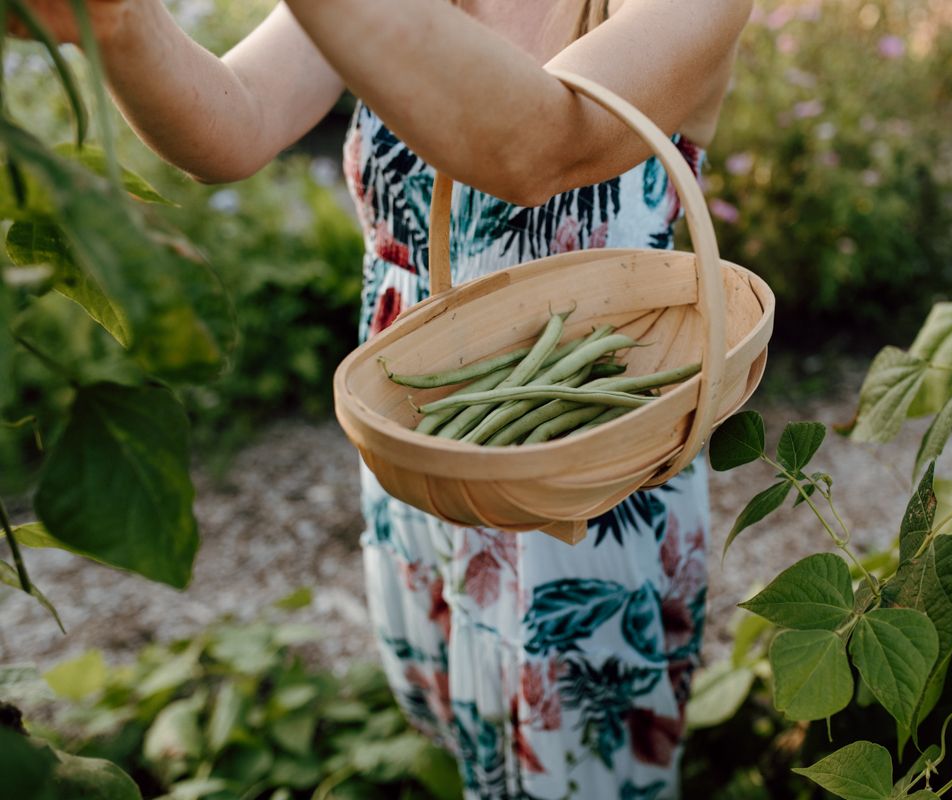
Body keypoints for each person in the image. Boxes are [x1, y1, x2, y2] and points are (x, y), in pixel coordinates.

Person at [17, 1, 750, 796]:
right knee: (468, 745)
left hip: (586, 487)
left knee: (580, 776)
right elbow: (237, 119)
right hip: (422, 450)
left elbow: (539, 145)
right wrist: (121, 22)